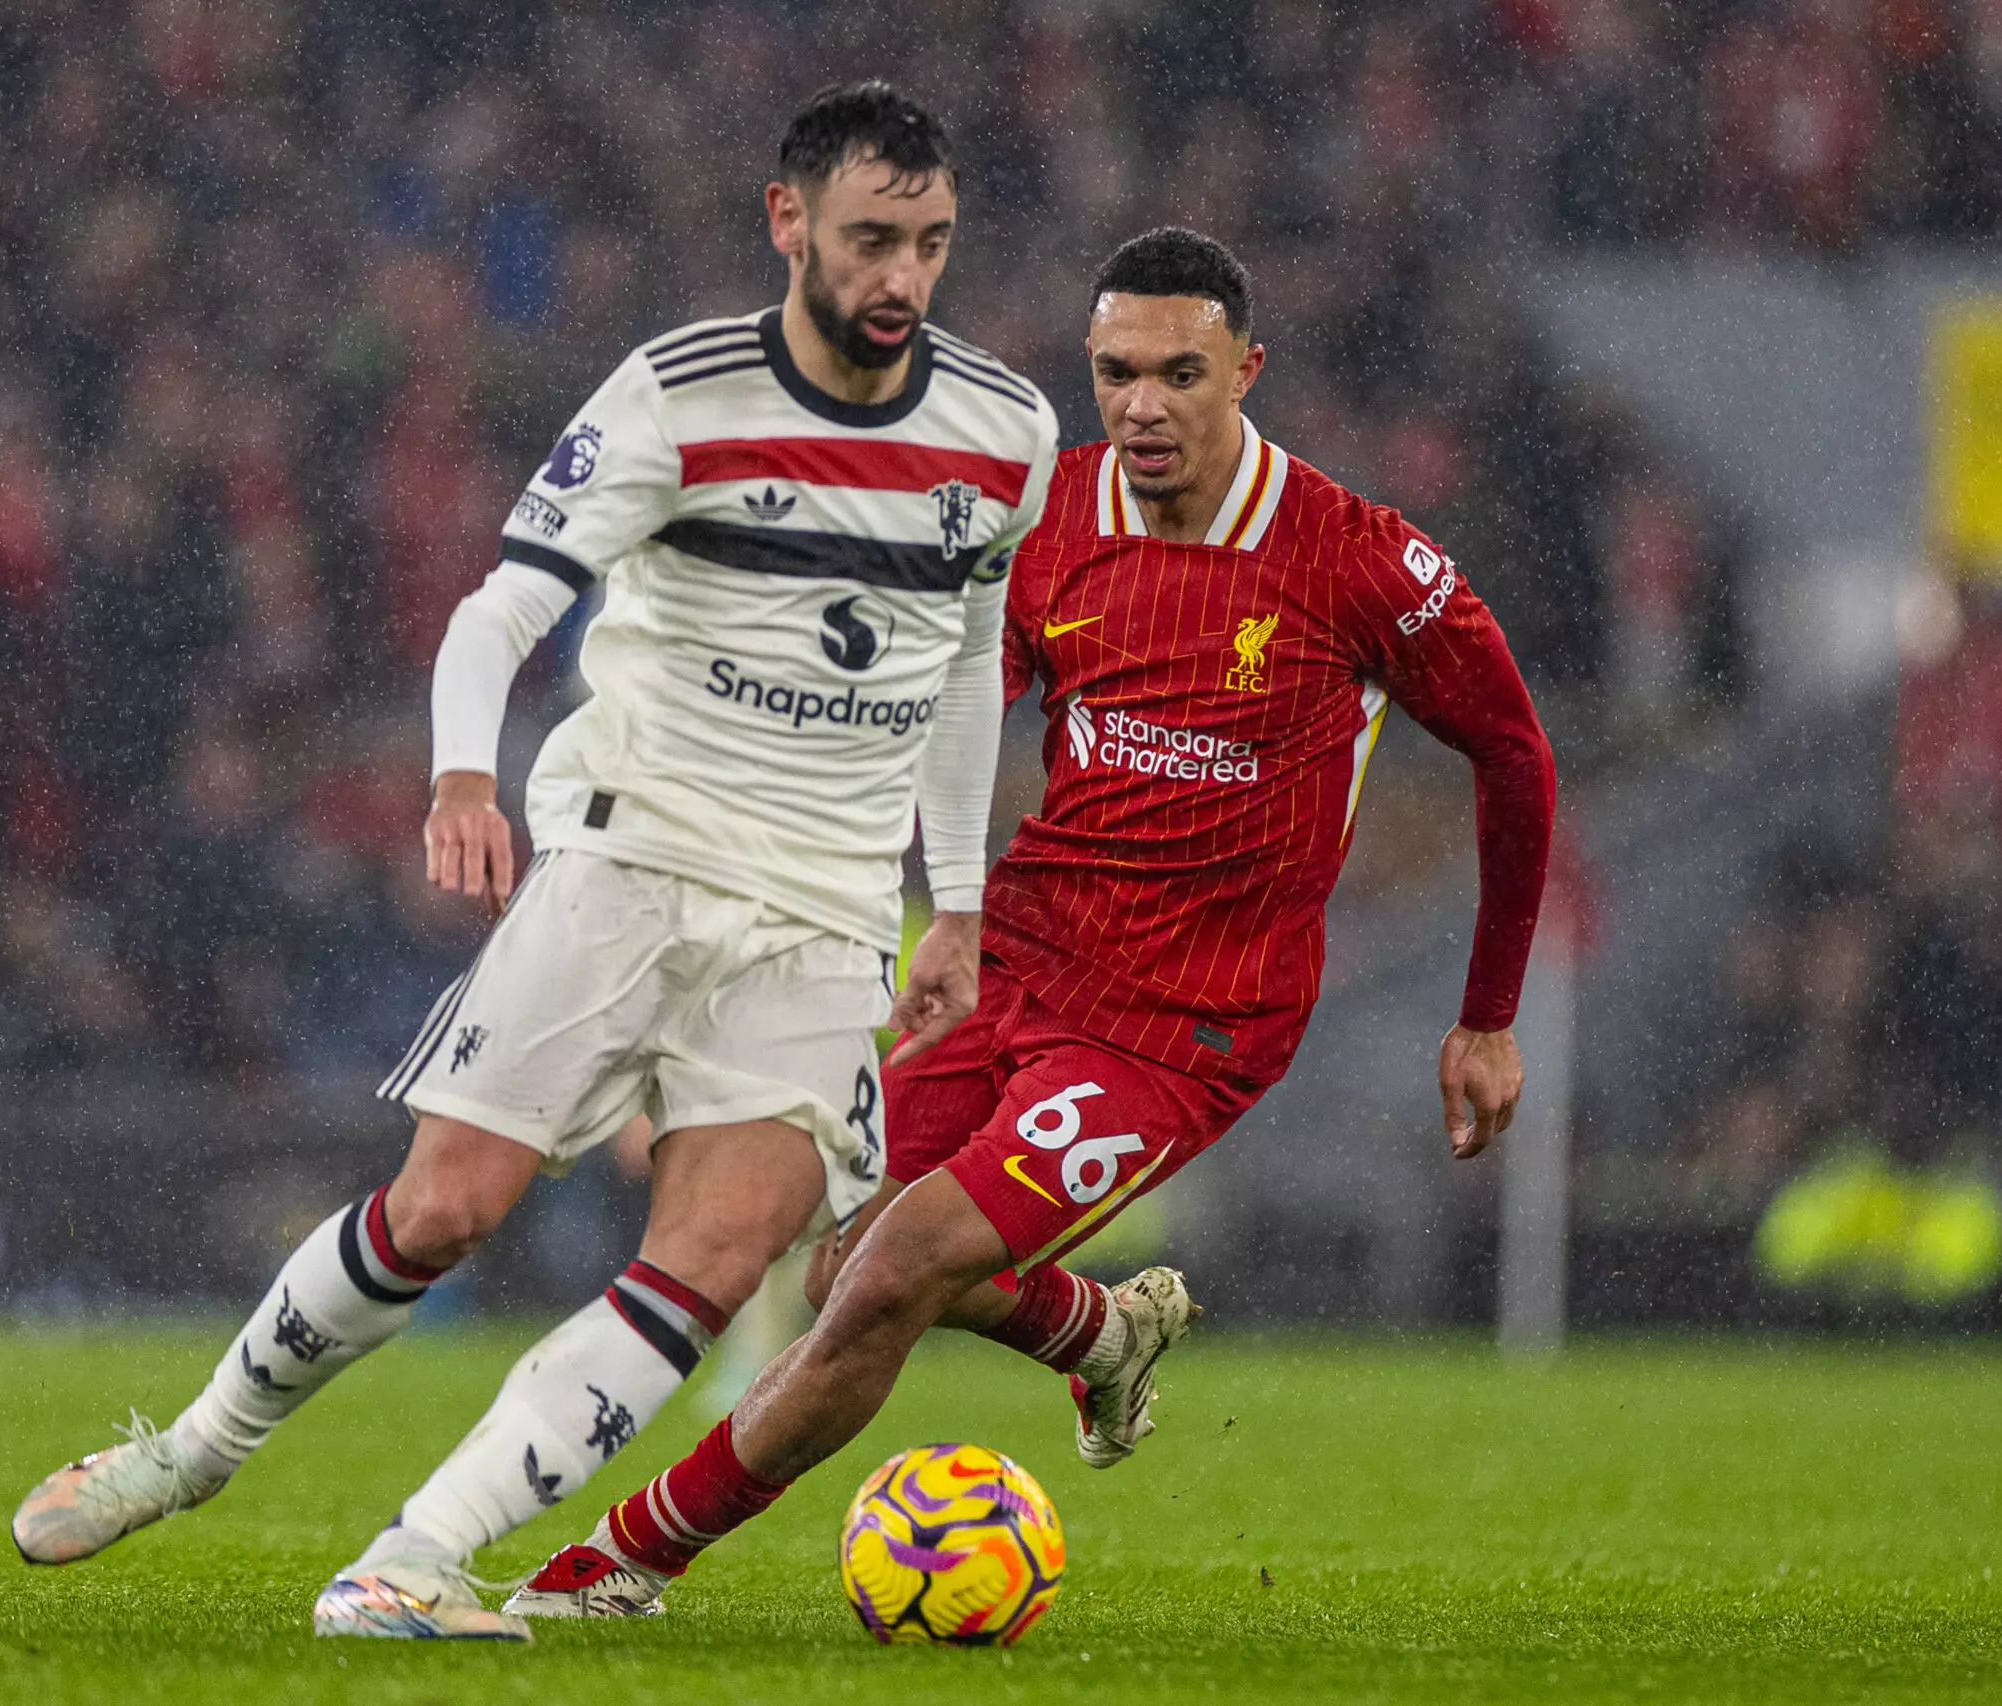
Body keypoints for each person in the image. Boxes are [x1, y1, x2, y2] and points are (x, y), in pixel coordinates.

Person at [8, 81, 1060, 1643]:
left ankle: (414, 1558)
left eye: (930, 242)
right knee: (444, 1209)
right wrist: (458, 771)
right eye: (869, 240)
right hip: (633, 853)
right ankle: (189, 1449)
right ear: (788, 224)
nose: (902, 278)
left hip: (827, 914)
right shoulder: (674, 394)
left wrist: (958, 901)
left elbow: (970, 672)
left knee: (711, 1257)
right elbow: (502, 605)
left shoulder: (1005, 430)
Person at [501, 226, 1557, 1618]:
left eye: (1181, 373)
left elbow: (1517, 754)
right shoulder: (1042, 523)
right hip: (1019, 970)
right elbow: (933, 724)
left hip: (1185, 1025)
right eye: (1116, 372)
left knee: (887, 1271)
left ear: (1247, 368)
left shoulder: (1358, 560)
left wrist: (1486, 1013)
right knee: (827, 1257)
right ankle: (1099, 1329)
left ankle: (624, 1558)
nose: (1144, 405)